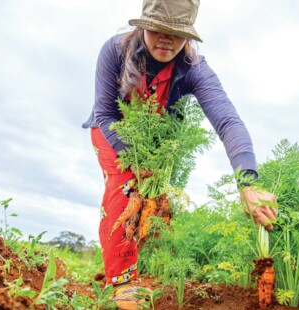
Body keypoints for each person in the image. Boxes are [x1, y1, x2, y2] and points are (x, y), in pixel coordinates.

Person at [82, 0, 277, 308]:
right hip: (112, 131)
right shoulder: (115, 50)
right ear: (144, 24)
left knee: (155, 208)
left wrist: (247, 182)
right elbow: (105, 113)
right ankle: (121, 284)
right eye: (159, 29)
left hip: (156, 139)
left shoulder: (194, 68)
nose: (167, 39)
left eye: (177, 33)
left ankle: (133, 266)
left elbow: (227, 120)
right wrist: (134, 160)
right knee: (126, 188)